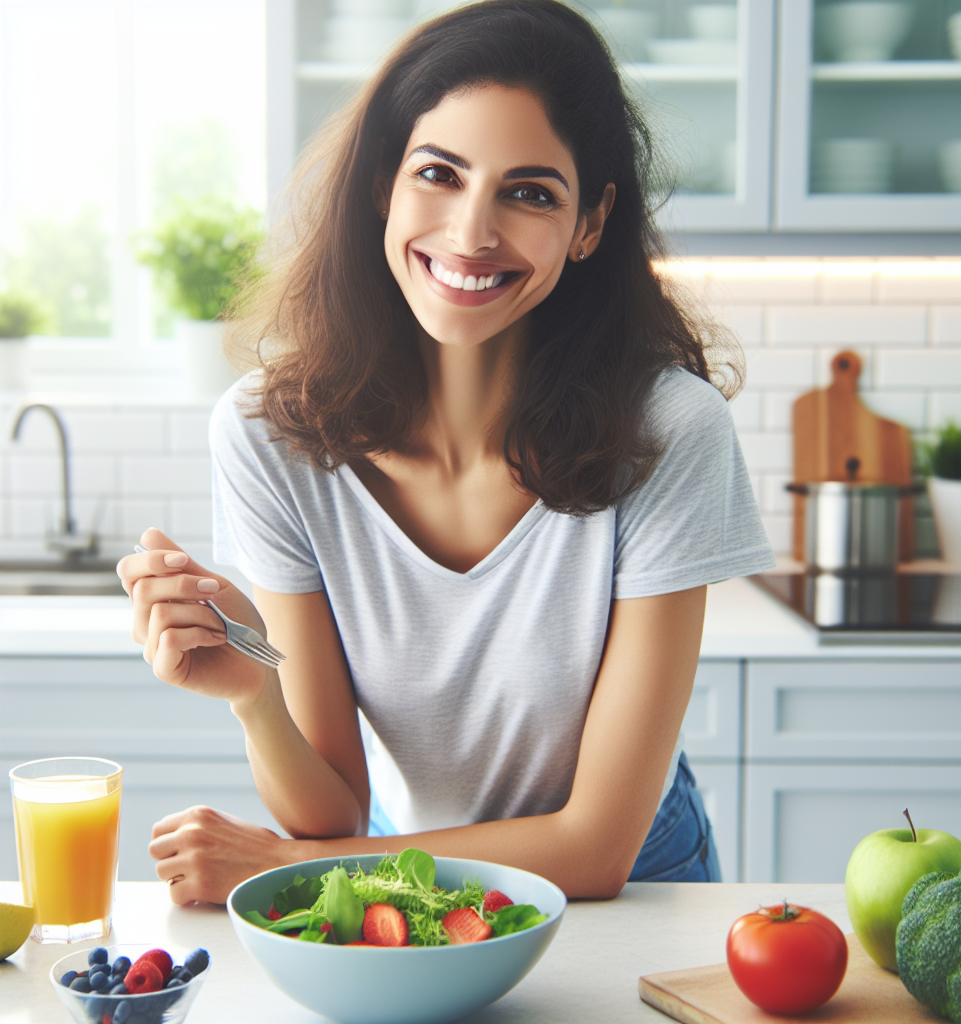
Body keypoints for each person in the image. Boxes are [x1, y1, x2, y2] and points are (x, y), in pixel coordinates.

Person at [119, 0, 774, 906]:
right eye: (440, 173)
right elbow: (335, 815)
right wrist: (252, 691)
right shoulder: (269, 435)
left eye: (531, 192)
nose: (471, 233)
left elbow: (594, 848)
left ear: (589, 223)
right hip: (406, 861)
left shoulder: (670, 430)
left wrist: (294, 874)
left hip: (634, 885)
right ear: (386, 183)